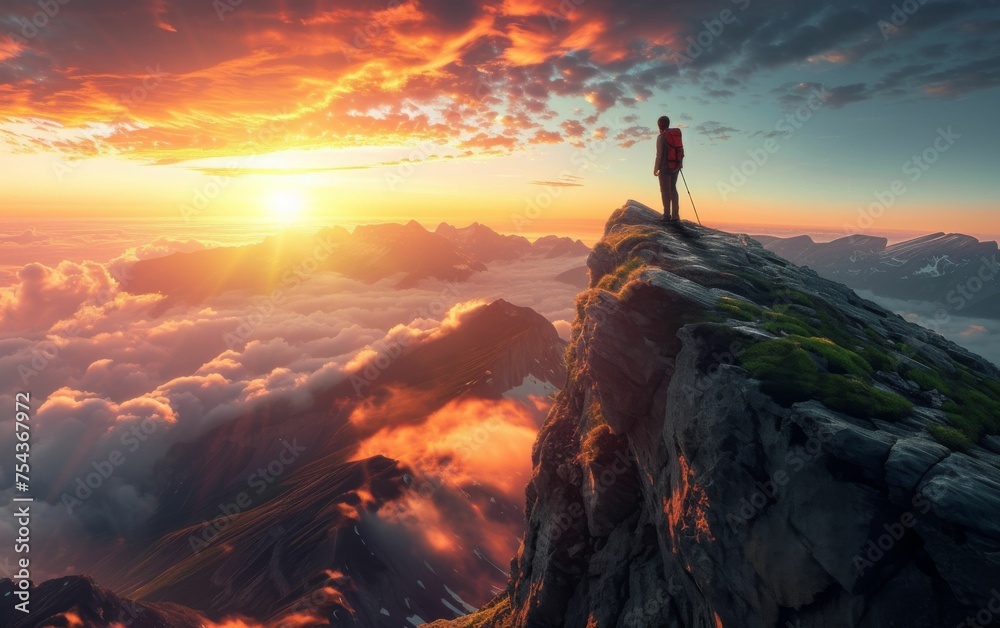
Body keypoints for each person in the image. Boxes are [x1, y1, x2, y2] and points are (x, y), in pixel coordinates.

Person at [654, 115, 680, 222]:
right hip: (676, 166)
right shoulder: (675, 134)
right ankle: (675, 216)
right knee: (673, 188)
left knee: (665, 191)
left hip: (665, 168)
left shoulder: (661, 137)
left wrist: (656, 168)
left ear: (659, 125)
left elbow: (659, 154)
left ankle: (666, 215)